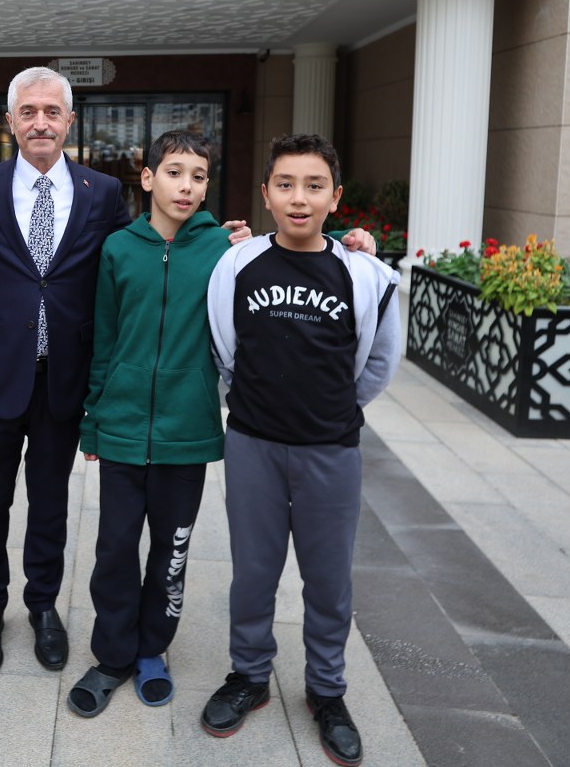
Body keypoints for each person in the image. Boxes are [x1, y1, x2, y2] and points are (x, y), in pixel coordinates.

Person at [200, 133, 403, 767]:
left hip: (330, 451)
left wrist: (333, 408)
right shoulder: (238, 264)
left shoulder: (363, 274)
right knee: (253, 573)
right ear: (265, 194)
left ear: (335, 198)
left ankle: (327, 690)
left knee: (329, 579)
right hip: (253, 444)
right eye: (285, 185)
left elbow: (378, 362)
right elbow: (224, 347)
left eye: (314, 186)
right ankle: (249, 675)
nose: (299, 198)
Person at [0, 66, 133, 677]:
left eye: (51, 112)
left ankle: (42, 604)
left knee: (50, 503)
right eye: (28, 112)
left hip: (64, 377)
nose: (40, 122)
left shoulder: (101, 192)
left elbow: (131, 259)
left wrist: (223, 241)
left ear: (69, 121)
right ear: (10, 122)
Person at [66, 130, 230, 718]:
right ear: (148, 178)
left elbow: (294, 243)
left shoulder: (223, 249)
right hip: (122, 429)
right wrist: (94, 420)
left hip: (187, 433)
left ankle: (152, 650)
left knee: (171, 551)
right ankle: (112, 656)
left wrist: (349, 240)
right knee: (114, 548)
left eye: (198, 176)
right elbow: (104, 341)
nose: (186, 186)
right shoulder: (118, 248)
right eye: (175, 172)